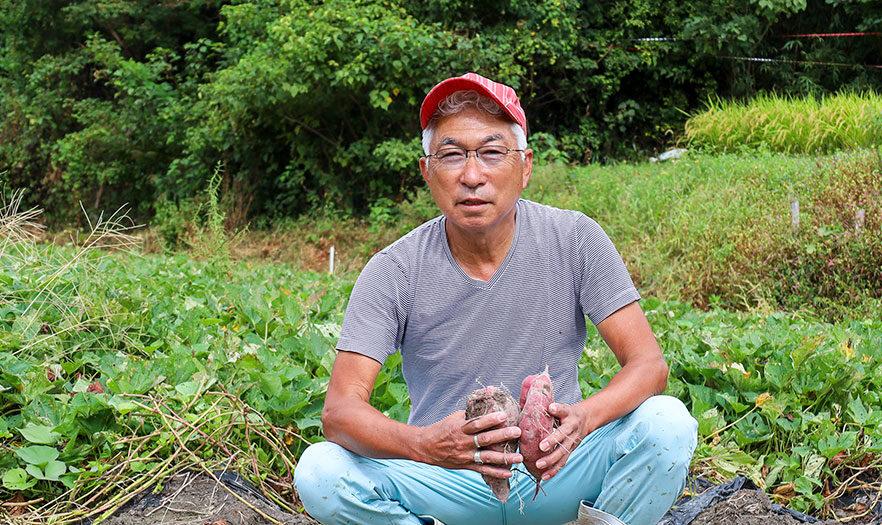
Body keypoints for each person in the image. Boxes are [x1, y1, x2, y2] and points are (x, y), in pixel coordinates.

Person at [293, 73, 698, 525]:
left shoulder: (575, 239)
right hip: (445, 477)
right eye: (451, 155)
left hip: (557, 468)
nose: (471, 176)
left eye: (491, 153)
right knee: (321, 472)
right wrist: (424, 444)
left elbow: (649, 365)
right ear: (427, 171)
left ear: (525, 167)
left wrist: (583, 418)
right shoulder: (394, 269)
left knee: (667, 423)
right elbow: (340, 411)